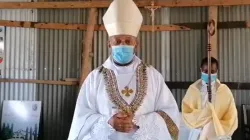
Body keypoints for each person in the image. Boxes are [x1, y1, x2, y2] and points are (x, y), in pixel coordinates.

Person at [67, 0, 180, 140]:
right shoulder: (95, 78)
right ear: (109, 43)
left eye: (128, 41)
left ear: (136, 44)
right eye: (117, 41)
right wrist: (109, 122)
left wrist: (140, 122)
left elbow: (170, 116)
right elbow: (82, 117)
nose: (122, 44)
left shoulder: (152, 76)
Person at [182, 57, 238, 140]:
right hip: (198, 131)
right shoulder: (193, 89)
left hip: (218, 132)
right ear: (201, 70)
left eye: (212, 72)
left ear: (217, 71)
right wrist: (205, 115)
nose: (208, 75)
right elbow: (187, 112)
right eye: (205, 71)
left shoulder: (224, 91)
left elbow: (231, 116)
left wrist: (213, 122)